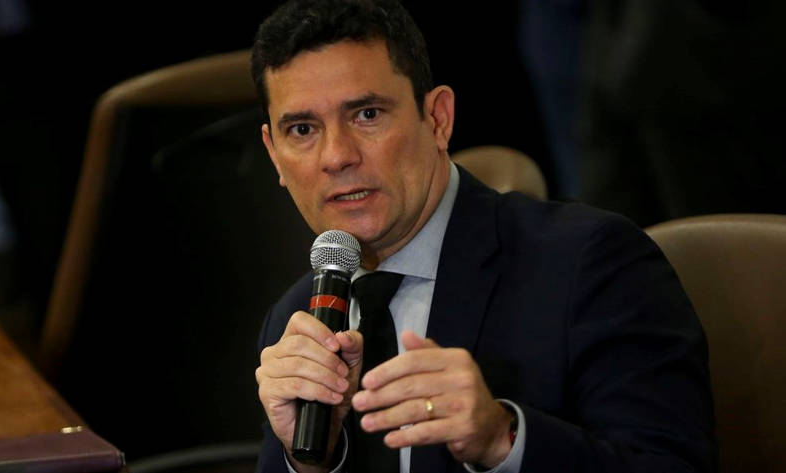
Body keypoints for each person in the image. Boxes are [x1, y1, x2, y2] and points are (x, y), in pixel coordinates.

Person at [251, 1, 716, 472]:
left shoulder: (591, 262)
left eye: (367, 114)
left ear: (438, 118)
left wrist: (502, 441)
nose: (336, 156)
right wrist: (309, 464)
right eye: (303, 129)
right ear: (274, 154)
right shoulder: (295, 319)